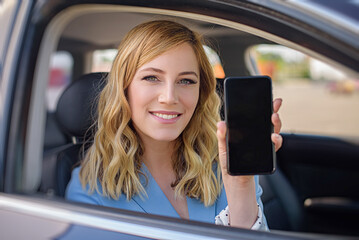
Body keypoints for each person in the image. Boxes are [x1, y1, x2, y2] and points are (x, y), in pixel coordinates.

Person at [66, 20, 283, 231]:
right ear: (124, 89)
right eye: (152, 77)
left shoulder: (227, 166)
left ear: (202, 93)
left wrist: (242, 186)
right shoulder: (90, 189)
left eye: (186, 81)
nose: (169, 97)